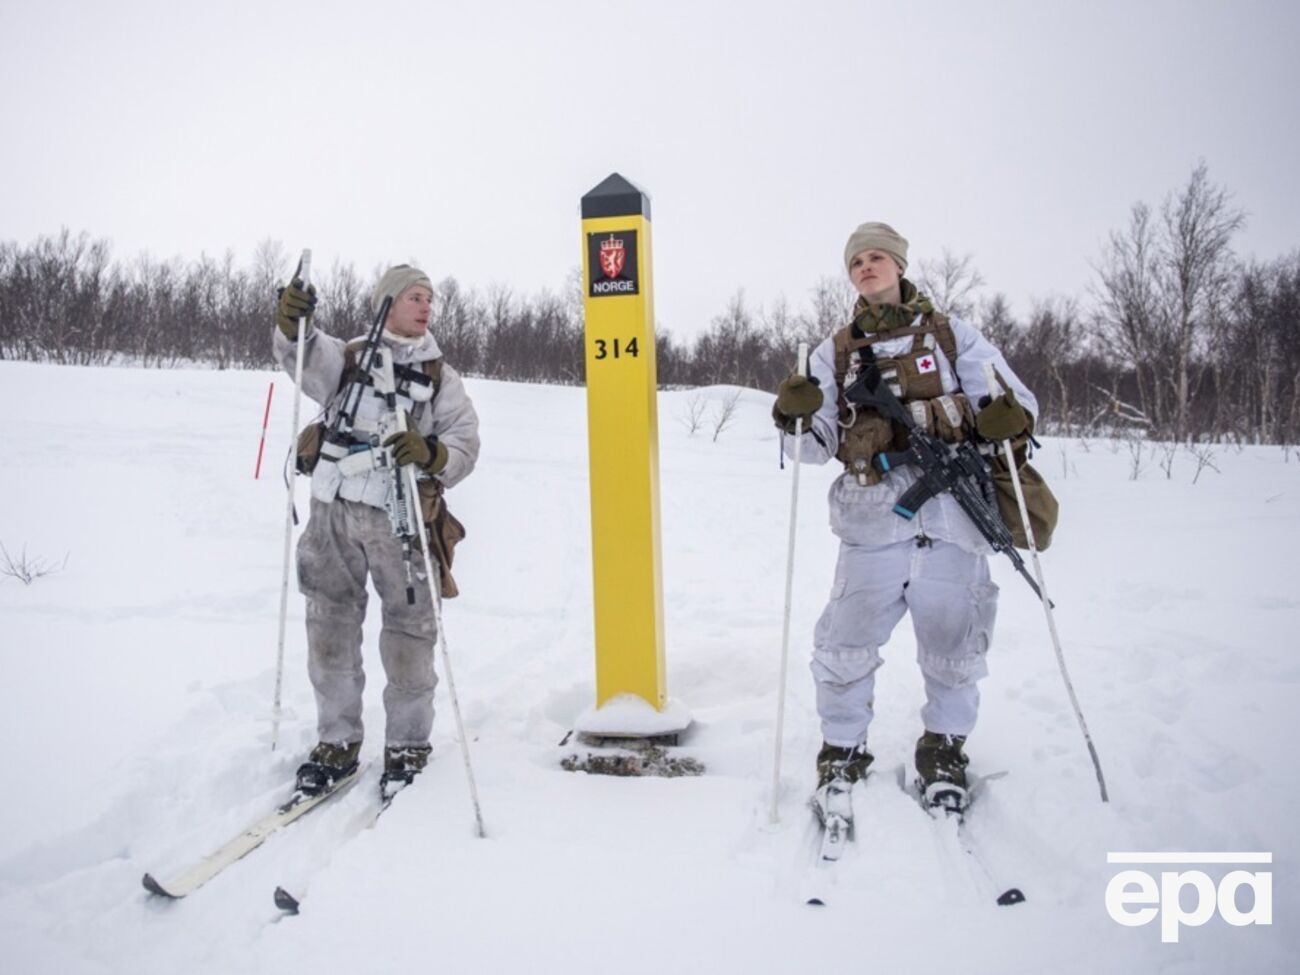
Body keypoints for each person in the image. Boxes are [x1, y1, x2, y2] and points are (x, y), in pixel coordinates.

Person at [772, 222, 1037, 814]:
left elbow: (1014, 406)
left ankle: (944, 750)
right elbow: (814, 446)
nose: (865, 267)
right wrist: (794, 414)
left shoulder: (952, 336)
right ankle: (841, 749)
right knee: (843, 646)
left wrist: (1004, 419)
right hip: (872, 523)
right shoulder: (834, 351)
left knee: (954, 648)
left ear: (898, 265)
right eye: (856, 261)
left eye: (876, 258)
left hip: (952, 521)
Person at [273, 264, 480, 798]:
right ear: (388, 301)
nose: (427, 306)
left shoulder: (440, 376)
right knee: (328, 623)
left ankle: (408, 745)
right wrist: (293, 325)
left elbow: (465, 442)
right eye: (416, 296)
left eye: (431, 299)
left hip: (401, 515)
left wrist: (432, 453)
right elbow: (302, 356)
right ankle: (336, 742)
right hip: (333, 510)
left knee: (411, 629)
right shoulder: (347, 356)